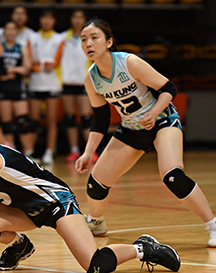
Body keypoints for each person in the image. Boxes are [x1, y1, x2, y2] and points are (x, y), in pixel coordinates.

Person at [0, 101, 181, 273]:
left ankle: (143, 248)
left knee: (95, 265)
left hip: (56, 202)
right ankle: (19, 246)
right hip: (23, 207)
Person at [75, 18, 216, 247]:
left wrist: (154, 113)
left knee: (172, 176)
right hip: (132, 128)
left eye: (94, 37)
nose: (88, 43)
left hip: (162, 121)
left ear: (109, 42)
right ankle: (97, 222)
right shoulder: (91, 79)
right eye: (83, 40)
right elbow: (100, 120)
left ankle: (213, 224)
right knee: (96, 183)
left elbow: (169, 88)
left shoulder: (129, 63)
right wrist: (88, 153)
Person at [27, 9, 65, 165]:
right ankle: (31, 152)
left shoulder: (60, 38)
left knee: (51, 121)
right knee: (33, 121)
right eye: (44, 18)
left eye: (50, 18)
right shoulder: (32, 37)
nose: (47, 21)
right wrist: (41, 64)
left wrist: (42, 63)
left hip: (53, 84)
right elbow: (30, 61)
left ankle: (49, 152)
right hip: (35, 83)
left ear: (54, 21)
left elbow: (56, 62)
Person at [60, 9, 94, 163]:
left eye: (80, 17)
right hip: (67, 83)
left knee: (87, 118)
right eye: (75, 17)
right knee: (70, 118)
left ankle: (90, 151)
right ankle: (74, 150)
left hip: (84, 82)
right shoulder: (62, 38)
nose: (77, 20)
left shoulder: (90, 39)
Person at [0, 21, 34, 153]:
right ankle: (11, 154)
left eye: (13, 29)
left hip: (18, 89)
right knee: (7, 125)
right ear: (4, 32)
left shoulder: (21, 47)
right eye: (8, 29)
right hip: (3, 89)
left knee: (24, 123)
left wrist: (8, 71)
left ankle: (29, 153)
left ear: (17, 32)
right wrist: (15, 70)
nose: (11, 32)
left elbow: (27, 68)